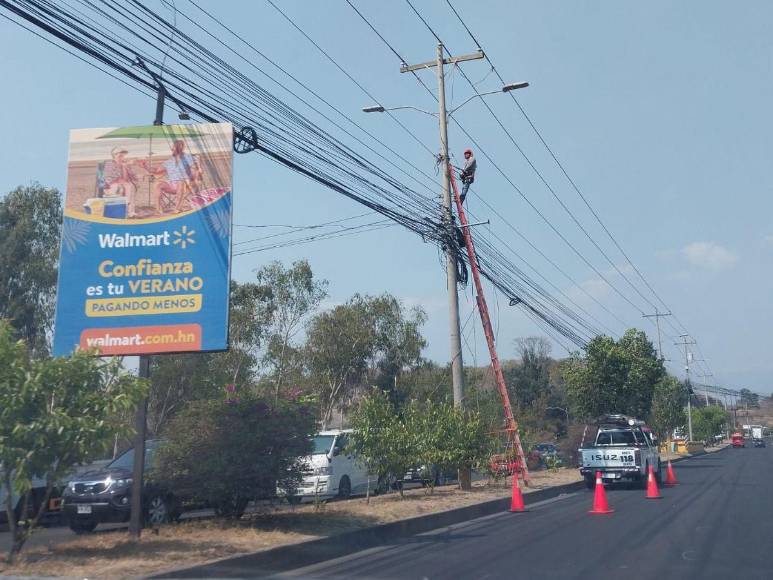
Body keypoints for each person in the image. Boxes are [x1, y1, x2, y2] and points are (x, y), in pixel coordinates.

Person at [150, 140, 203, 214]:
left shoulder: (189, 158)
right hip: (172, 185)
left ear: (181, 148)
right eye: (173, 147)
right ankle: (158, 209)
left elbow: (197, 171)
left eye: (175, 147)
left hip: (187, 184)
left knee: (181, 181)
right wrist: (145, 166)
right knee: (157, 184)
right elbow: (156, 171)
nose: (173, 149)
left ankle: (177, 208)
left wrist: (195, 174)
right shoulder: (169, 161)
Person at [101, 147, 140, 218]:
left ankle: (129, 211)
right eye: (119, 155)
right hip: (112, 185)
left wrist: (126, 167)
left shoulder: (125, 164)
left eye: (122, 155)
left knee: (129, 186)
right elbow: (108, 177)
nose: (121, 157)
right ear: (114, 155)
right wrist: (120, 180)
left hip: (126, 183)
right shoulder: (110, 163)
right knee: (121, 187)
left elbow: (133, 175)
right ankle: (123, 210)